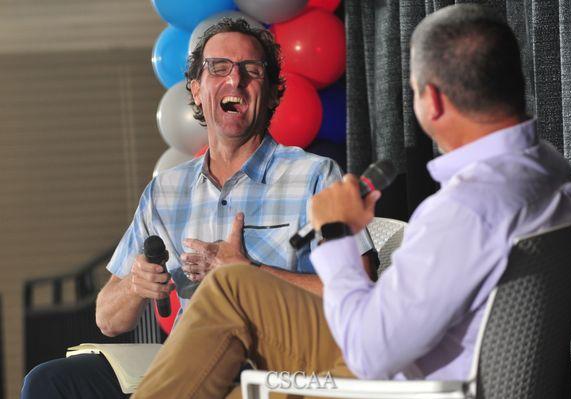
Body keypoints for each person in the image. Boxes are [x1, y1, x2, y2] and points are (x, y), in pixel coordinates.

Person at [131, 4, 571, 399]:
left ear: (430, 100)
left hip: (392, 381)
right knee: (231, 302)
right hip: (418, 358)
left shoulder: (465, 209)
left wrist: (335, 234)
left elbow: (369, 352)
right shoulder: (550, 169)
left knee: (228, 294)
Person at [21, 19, 375, 399]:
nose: (234, 80)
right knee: (49, 382)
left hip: (274, 361)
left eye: (251, 71)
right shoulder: (166, 191)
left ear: (272, 94)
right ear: (196, 89)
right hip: (189, 357)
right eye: (218, 68)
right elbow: (108, 319)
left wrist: (249, 274)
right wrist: (135, 285)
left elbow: (362, 294)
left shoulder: (315, 175)